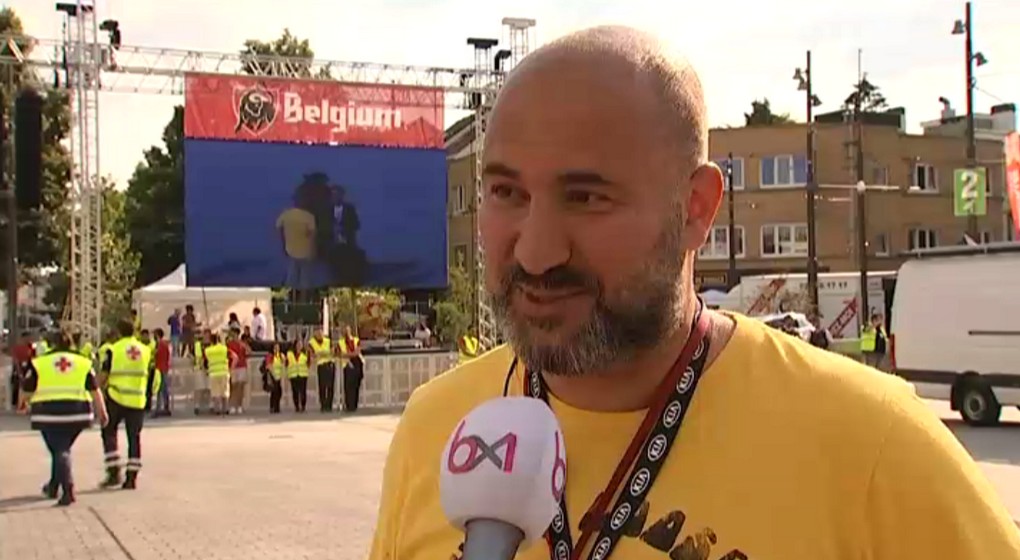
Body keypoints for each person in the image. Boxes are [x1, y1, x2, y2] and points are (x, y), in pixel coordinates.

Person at [367, 26, 1020, 560]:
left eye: (586, 198)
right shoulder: (436, 426)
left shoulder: (874, 445)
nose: (537, 252)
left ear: (697, 208)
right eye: (507, 192)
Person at [17, 332, 109, 506]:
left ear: (51, 344)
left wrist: (22, 404)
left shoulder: (39, 363)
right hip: (78, 414)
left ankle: (68, 490)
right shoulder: (83, 362)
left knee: (60, 450)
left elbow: (27, 388)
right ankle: (53, 486)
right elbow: (94, 389)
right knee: (60, 449)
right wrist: (102, 412)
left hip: (48, 413)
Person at [100, 319, 157, 490]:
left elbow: (104, 375)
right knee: (134, 438)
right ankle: (131, 478)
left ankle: (113, 472)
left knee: (109, 432)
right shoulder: (145, 350)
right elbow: (151, 374)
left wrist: (97, 392)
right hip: (137, 399)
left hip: (116, 397)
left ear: (118, 332)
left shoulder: (113, 350)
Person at [276, 189, 318, 292]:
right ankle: (303, 296)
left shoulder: (286, 214)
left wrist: (283, 243)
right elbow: (312, 236)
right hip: (306, 252)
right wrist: (313, 251)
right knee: (305, 280)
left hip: (290, 250)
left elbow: (279, 228)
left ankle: (291, 294)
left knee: (291, 277)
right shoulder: (309, 216)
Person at [203, 333, 234, 416]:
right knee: (225, 392)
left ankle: (217, 409)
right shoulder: (224, 348)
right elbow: (235, 357)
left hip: (213, 373)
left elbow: (204, 362)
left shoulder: (208, 350)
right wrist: (231, 369)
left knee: (216, 392)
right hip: (224, 372)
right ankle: (226, 409)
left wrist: (206, 370)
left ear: (211, 340)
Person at [308, 327, 335, 412]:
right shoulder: (311, 342)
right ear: (315, 334)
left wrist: (320, 354)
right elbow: (312, 355)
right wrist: (324, 353)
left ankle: (329, 405)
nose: (320, 334)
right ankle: (323, 405)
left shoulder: (328, 341)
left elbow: (332, 352)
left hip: (330, 364)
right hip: (321, 365)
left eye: (321, 333)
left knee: (330, 386)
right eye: (318, 333)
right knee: (322, 386)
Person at [338, 325, 363, 413]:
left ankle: (354, 405)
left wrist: (347, 354)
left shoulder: (356, 340)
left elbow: (357, 352)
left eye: (347, 331)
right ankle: (349, 405)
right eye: (344, 331)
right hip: (347, 364)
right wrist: (348, 355)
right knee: (348, 386)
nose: (346, 333)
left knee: (356, 385)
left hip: (357, 363)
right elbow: (339, 354)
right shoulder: (340, 342)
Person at [226, 328, 250, 414]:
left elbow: (249, 352)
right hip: (233, 367)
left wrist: (244, 345)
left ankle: (239, 405)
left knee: (240, 387)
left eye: (235, 334)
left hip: (242, 366)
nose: (234, 336)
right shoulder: (229, 344)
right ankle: (232, 405)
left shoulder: (242, 343)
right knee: (233, 387)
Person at [152, 328, 173, 417]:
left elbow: (157, 354)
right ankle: (164, 407)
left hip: (161, 368)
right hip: (162, 368)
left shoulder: (161, 344)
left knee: (161, 389)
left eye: (154, 334)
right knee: (162, 388)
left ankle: (160, 408)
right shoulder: (163, 344)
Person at [261, 342, 286, 414]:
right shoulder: (270, 356)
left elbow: (283, 365)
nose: (277, 349)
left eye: (278, 347)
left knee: (279, 392)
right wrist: (274, 375)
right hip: (272, 376)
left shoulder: (281, 356)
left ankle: (277, 406)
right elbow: (268, 366)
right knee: (274, 392)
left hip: (279, 376)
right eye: (275, 348)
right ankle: (273, 406)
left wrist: (282, 374)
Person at [286, 339, 309, 412]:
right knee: (295, 391)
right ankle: (296, 406)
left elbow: (308, 363)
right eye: (298, 344)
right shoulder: (289, 354)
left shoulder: (305, 353)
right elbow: (286, 364)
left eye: (300, 345)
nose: (299, 346)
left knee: (303, 391)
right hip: (293, 375)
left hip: (303, 374)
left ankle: (303, 405)